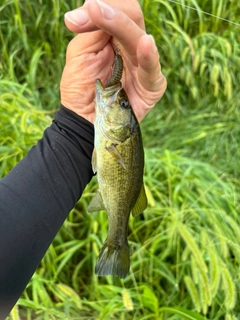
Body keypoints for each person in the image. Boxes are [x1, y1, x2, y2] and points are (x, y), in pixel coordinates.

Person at [0, 0, 167, 318]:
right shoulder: (114, 130)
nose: (116, 97)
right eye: (123, 101)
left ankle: (117, 240)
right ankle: (117, 242)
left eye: (121, 103)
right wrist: (74, 133)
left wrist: (74, 133)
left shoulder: (110, 132)